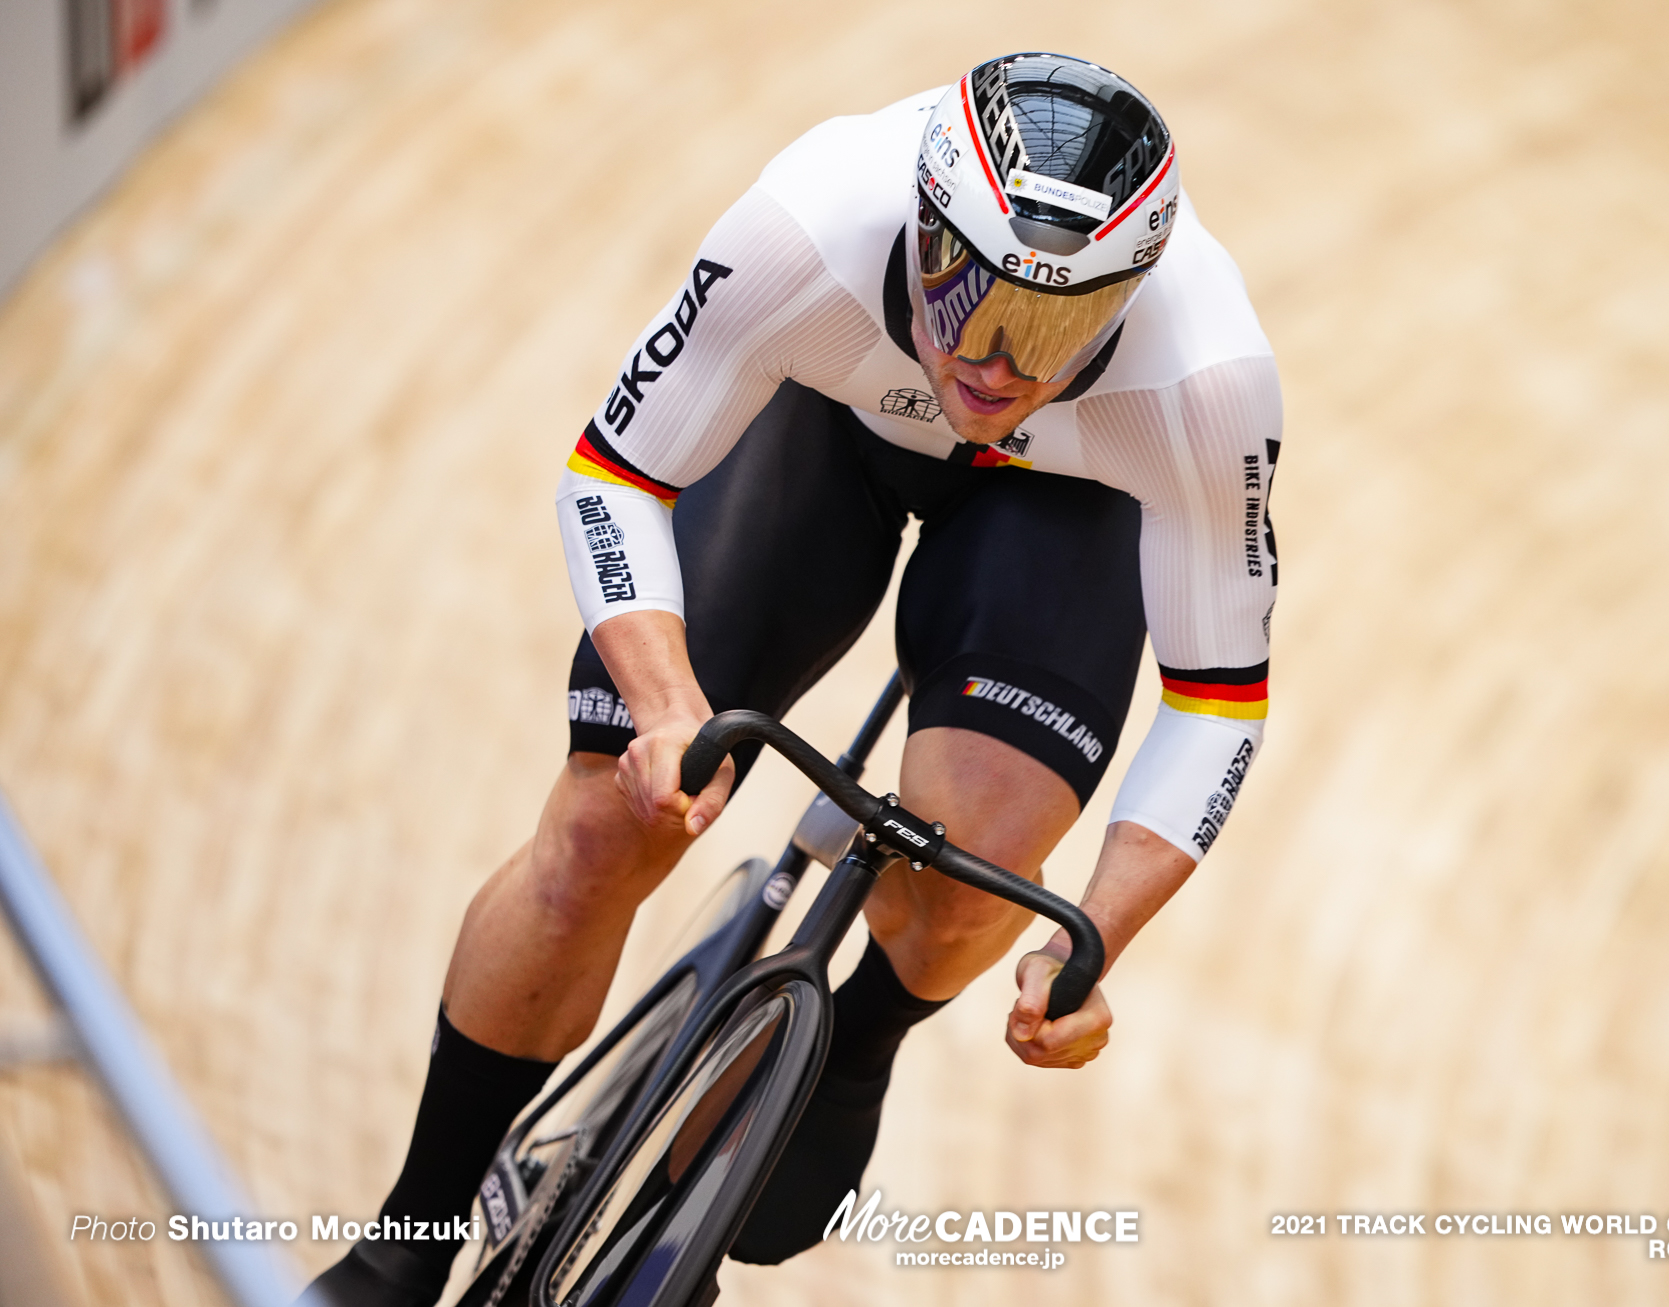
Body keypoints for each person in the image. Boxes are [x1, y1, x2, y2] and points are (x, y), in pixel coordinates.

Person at [307, 51, 1280, 1305]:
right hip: (834, 421)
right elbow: (614, 476)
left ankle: (858, 1037)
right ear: (922, 232)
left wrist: (1089, 944)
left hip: (1066, 505)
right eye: (970, 297)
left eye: (1050, 328)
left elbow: (1218, 696)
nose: (992, 363)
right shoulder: (811, 222)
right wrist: (663, 711)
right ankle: (408, 1240)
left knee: (977, 860)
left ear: (1128, 300)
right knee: (609, 816)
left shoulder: (1205, 382)